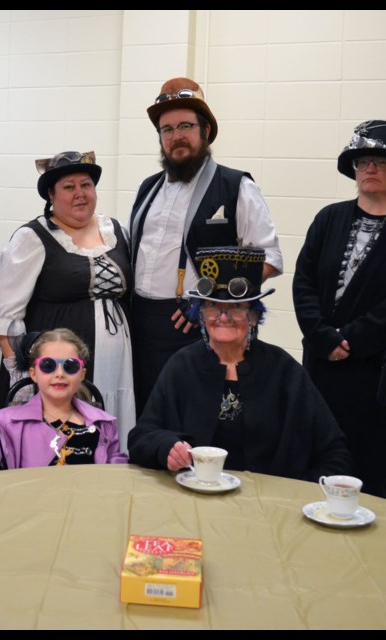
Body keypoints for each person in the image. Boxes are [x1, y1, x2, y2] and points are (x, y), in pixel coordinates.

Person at [128, 246, 351, 481]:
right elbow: (141, 437)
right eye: (212, 306)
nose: (223, 317)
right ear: (201, 314)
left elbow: (334, 450)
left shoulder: (283, 370)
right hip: (194, 500)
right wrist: (167, 448)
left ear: (254, 316)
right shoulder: (182, 366)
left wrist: (296, 494)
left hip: (266, 506)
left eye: (236, 307)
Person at [128, 77, 282, 414]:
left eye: (185, 126)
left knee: (195, 416)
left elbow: (269, 259)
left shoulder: (235, 185)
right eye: (167, 130)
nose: (176, 136)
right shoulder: (147, 188)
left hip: (196, 325)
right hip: (140, 325)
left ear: (206, 131)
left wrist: (209, 301)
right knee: (146, 414)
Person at [292, 121, 386, 498]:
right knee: (317, 456)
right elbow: (303, 280)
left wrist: (352, 338)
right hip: (321, 362)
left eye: (382, 161)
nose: (370, 169)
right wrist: (321, 336)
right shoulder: (328, 218)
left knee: (370, 466)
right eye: (363, 161)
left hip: (374, 372)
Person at [0, 151, 135, 447]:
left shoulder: (116, 230)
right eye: (69, 187)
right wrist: (20, 375)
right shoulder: (33, 237)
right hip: (58, 366)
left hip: (117, 360)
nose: (80, 194)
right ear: (51, 196)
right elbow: (7, 317)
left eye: (86, 185)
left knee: (110, 435)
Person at [0, 329, 128, 469]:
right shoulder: (6, 422)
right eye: (48, 365)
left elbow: (115, 473)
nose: (59, 374)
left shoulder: (103, 423)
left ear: (82, 374)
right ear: (34, 373)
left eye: (70, 366)